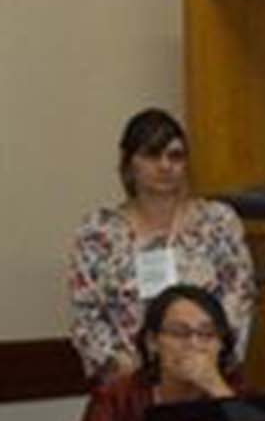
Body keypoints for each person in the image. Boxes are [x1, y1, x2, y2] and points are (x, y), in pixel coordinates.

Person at [67, 108, 255, 382]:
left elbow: (239, 299)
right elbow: (86, 316)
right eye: (152, 155)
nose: (165, 165)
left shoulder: (217, 223)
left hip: (206, 378)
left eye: (175, 156)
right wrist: (123, 367)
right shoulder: (98, 232)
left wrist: (204, 362)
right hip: (127, 382)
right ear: (129, 163)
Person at [63, 284, 239, 421]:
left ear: (221, 344)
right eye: (180, 333)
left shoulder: (233, 388)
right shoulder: (118, 393)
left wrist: (216, 388)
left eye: (207, 334)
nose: (194, 344)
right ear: (152, 342)